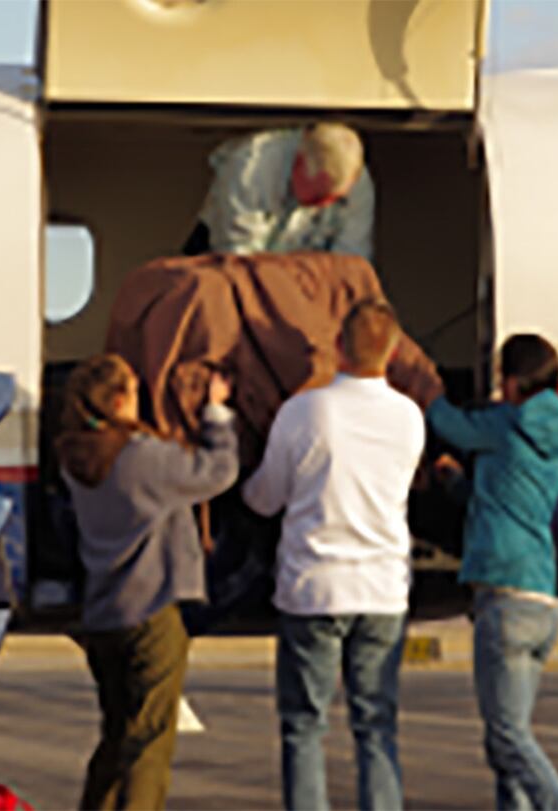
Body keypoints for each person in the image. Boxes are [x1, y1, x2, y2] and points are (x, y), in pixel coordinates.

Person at [241, 298, 424, 811]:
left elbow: (265, 498)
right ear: (392, 353)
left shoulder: (305, 411)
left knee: (304, 726)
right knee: (376, 727)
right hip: (383, 590)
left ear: (339, 346)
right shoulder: (409, 418)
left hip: (314, 588)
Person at [56, 353, 239, 811]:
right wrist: (217, 413)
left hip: (104, 614)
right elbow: (218, 472)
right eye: (135, 390)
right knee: (150, 742)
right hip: (152, 613)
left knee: (117, 735)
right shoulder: (141, 458)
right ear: (120, 400)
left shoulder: (76, 458)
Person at [425, 335, 558, 811]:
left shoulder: (508, 422)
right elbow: (502, 497)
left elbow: (448, 423)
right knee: (508, 741)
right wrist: (456, 482)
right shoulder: (556, 435)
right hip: (540, 598)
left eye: (499, 378)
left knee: (508, 738)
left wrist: (423, 383)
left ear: (513, 382)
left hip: (504, 599)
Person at [183, 123, 375, 259]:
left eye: (336, 199)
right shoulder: (250, 166)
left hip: (304, 275)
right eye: (319, 197)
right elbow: (237, 257)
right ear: (299, 164)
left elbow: (351, 262)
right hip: (224, 262)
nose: (325, 205)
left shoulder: (356, 182)